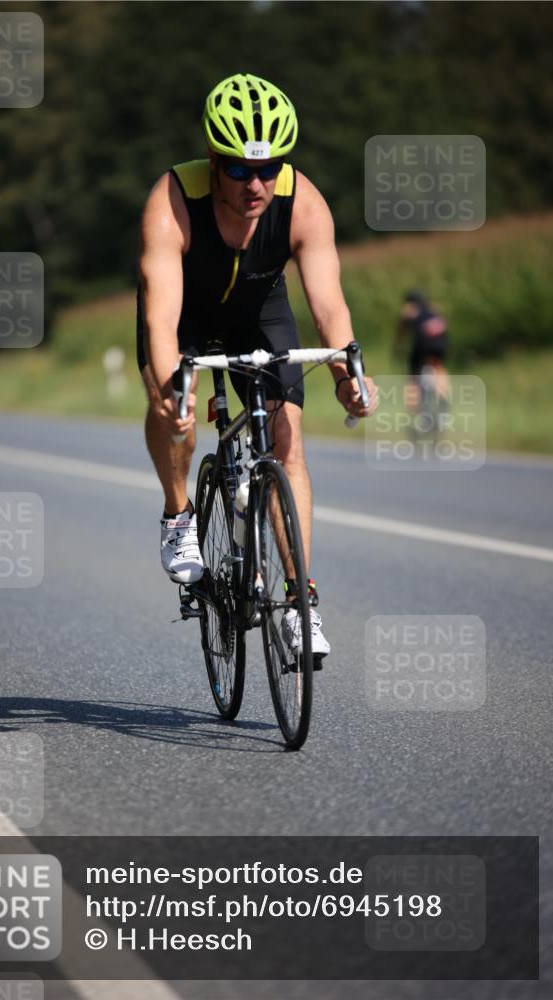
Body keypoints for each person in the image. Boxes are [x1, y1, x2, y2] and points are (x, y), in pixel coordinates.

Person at [137, 72, 378, 662]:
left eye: (268, 169)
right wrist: (173, 387)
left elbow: (328, 307)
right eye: (240, 170)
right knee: (178, 416)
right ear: (214, 162)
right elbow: (161, 318)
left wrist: (349, 377)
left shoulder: (305, 204)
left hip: (260, 313)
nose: (256, 184)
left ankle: (300, 604)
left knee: (288, 443)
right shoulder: (172, 202)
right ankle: (177, 513)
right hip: (186, 314)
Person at [396, 290, 450, 409]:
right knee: (438, 369)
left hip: (423, 345)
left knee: (413, 376)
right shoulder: (434, 308)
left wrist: (397, 347)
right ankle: (443, 398)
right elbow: (445, 322)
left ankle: (416, 406)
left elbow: (401, 331)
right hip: (440, 344)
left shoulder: (409, 310)